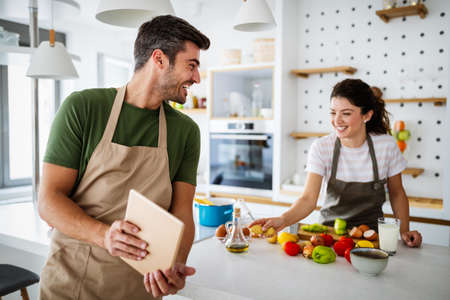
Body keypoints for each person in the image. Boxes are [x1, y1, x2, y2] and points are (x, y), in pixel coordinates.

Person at [38, 15, 210, 299]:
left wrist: (174, 265)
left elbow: (182, 213)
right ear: (159, 59)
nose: (196, 77)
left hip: (138, 288)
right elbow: (48, 200)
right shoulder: (84, 108)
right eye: (191, 65)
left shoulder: (185, 131)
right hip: (72, 283)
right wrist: (105, 236)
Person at [251, 79, 422, 247]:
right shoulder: (322, 147)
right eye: (333, 112)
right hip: (328, 238)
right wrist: (283, 219)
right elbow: (308, 199)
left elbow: (397, 193)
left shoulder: (386, 146)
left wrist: (404, 230)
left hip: (371, 239)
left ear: (367, 115)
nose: (337, 120)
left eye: (346, 113)